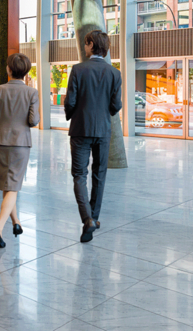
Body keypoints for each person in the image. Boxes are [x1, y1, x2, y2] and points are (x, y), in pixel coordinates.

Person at [64, 30, 122, 243]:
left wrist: (73, 115)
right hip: (104, 131)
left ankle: (87, 219)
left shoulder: (78, 70)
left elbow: (70, 101)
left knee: (79, 175)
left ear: (90, 45)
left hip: (80, 129)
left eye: (85, 43)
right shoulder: (115, 73)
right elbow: (116, 105)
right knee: (99, 174)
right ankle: (94, 218)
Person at [0, 53, 39, 248]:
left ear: (8, 70)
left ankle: (16, 223)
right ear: (26, 72)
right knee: (13, 186)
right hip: (20, 143)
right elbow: (34, 121)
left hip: (0, 142)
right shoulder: (32, 93)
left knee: (9, 186)